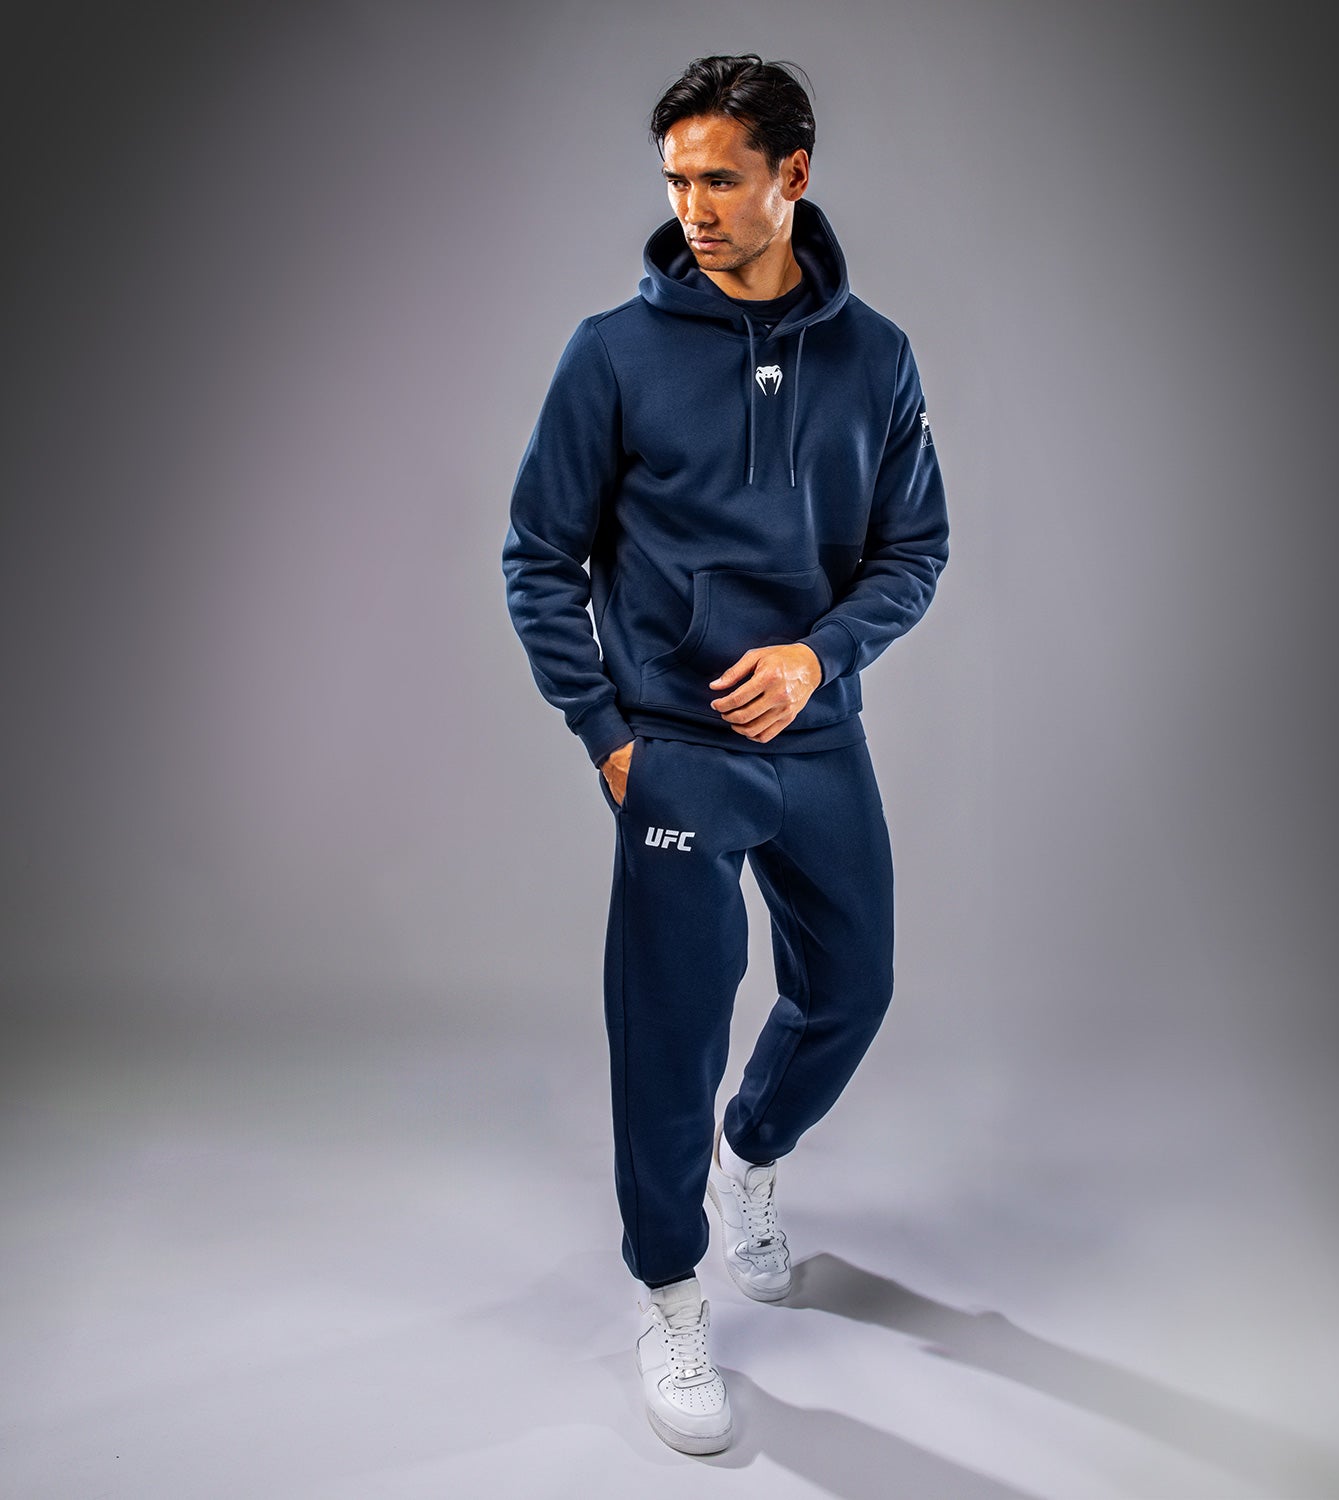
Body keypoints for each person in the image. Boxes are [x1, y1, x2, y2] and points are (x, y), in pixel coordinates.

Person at [502, 53, 948, 1454]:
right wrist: (607, 736)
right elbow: (537, 556)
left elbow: (914, 551)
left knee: (854, 984)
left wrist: (821, 654)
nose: (691, 208)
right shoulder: (612, 354)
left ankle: (749, 1157)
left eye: (718, 179)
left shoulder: (876, 357)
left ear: (791, 175)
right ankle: (670, 1294)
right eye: (674, 180)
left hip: (816, 735)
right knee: (671, 1029)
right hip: (674, 752)